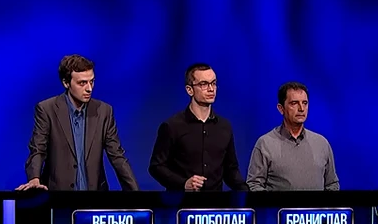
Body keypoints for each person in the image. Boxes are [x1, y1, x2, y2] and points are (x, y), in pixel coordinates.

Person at [17, 54, 139, 191]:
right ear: (66, 83)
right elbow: (38, 149)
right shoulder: (47, 109)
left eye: (91, 82)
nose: (89, 88)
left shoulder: (104, 111)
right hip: (58, 194)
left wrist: (136, 193)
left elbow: (117, 156)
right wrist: (34, 178)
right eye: (82, 83)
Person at [148, 64, 248, 192]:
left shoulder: (224, 127)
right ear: (189, 90)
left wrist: (247, 194)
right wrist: (183, 184)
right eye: (204, 84)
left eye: (213, 83)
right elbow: (156, 167)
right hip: (181, 201)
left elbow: (231, 170)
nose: (211, 89)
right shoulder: (172, 126)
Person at [246, 81, 339, 191]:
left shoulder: (321, 143)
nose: (301, 108)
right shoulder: (265, 144)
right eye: (294, 103)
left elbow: (332, 184)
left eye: (305, 103)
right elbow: (254, 185)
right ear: (281, 108)